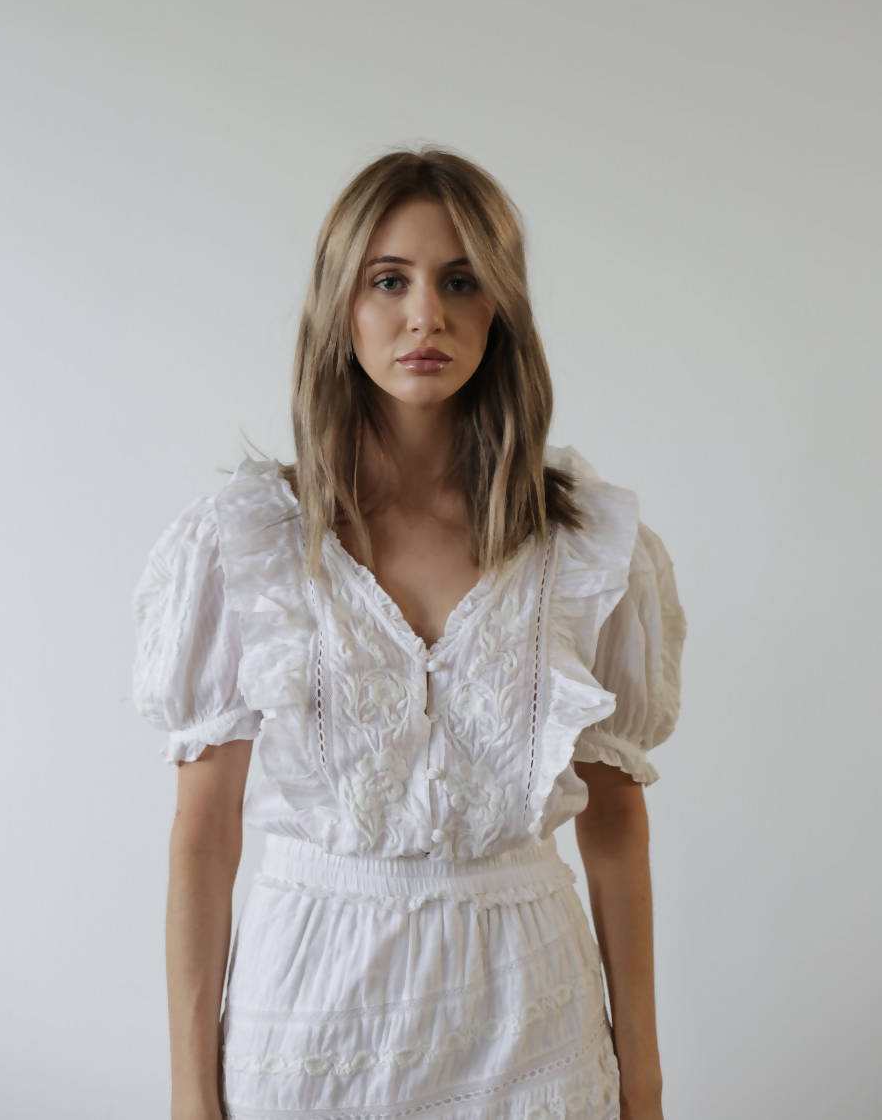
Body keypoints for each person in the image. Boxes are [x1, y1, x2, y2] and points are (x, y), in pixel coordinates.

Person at [131, 147, 687, 1120]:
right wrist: (189, 1093)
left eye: (460, 281)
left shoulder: (587, 546)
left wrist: (642, 1076)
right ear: (340, 304)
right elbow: (205, 835)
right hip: (307, 1026)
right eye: (389, 280)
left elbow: (614, 824)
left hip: (531, 1024)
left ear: (500, 307)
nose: (425, 314)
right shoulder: (245, 543)